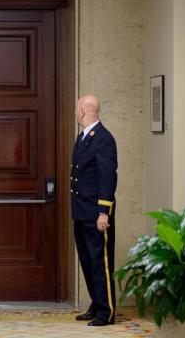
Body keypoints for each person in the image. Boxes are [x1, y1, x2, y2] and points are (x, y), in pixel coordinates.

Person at [71, 94, 118, 327]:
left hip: (95, 213)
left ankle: (106, 310)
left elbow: (107, 178)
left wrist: (103, 212)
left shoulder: (103, 139)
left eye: (76, 109)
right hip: (81, 211)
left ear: (82, 111)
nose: (75, 113)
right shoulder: (84, 136)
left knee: (100, 261)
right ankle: (96, 302)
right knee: (88, 260)